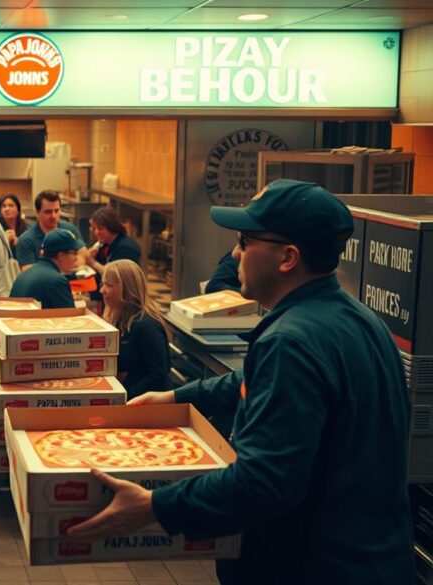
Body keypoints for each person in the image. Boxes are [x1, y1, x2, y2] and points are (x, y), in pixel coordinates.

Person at [66, 180, 412, 585]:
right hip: (376, 559)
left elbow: (263, 483)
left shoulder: (290, 342)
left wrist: (155, 506)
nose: (234, 253)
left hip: (312, 565)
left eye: (246, 241)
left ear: (287, 257)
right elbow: (246, 382)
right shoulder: (359, 320)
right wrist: (175, 395)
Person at [99, 259, 169, 399]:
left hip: (142, 403)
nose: (102, 291)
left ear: (127, 289)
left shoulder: (147, 327)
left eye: (109, 285)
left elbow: (158, 376)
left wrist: (123, 397)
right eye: (103, 284)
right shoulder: (119, 319)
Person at [9, 229, 79, 309]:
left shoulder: (23, 274)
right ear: (61, 256)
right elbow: (70, 317)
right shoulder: (57, 280)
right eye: (74, 253)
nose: (76, 259)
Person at [15, 190, 85, 269]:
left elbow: (82, 252)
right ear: (37, 213)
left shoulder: (69, 229)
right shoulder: (26, 240)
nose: (53, 216)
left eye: (56, 211)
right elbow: (27, 270)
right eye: (48, 212)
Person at [88, 206, 141, 274]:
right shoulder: (106, 243)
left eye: (100, 228)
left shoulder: (126, 249)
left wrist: (93, 263)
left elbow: (116, 276)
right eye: (94, 228)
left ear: (111, 226)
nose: (96, 232)